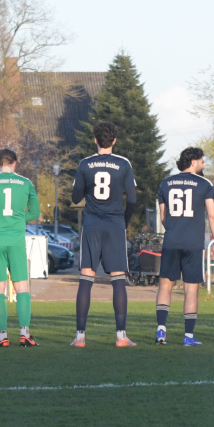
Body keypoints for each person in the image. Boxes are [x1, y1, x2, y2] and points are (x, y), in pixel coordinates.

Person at [71, 122, 137, 347]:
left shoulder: (85, 164)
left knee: (86, 278)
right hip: (114, 225)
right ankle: (121, 337)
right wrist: (123, 222)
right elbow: (134, 199)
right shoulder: (123, 164)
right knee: (118, 279)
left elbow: (75, 197)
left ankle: (80, 337)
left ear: (95, 140)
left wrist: (84, 184)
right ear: (115, 141)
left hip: (91, 225)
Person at [154, 147, 214, 346]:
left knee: (165, 286)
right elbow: (212, 215)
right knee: (191, 289)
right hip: (193, 244)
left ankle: (161, 332)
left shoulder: (166, 183)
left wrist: (176, 228)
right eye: (202, 161)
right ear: (193, 162)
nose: (204, 165)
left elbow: (164, 217)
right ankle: (188, 337)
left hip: (172, 241)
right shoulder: (204, 184)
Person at [0, 148, 40, 347]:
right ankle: (24, 334)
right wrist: (19, 219)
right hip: (16, 238)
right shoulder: (26, 183)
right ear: (15, 163)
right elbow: (35, 212)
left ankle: (3, 337)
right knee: (22, 287)